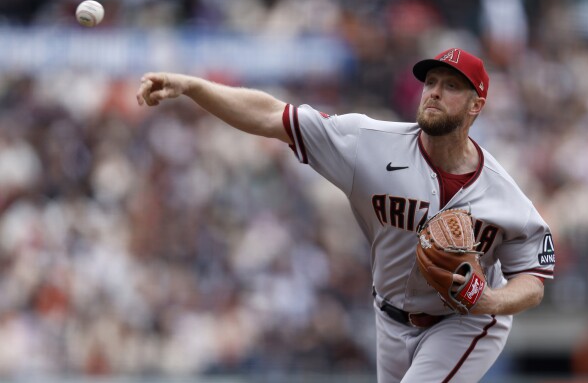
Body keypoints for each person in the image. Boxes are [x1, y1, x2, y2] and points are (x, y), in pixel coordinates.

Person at [136, 47, 555, 382]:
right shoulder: (368, 144)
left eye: (451, 86)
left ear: (475, 106)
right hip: (389, 315)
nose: (434, 92)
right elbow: (271, 115)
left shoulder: (504, 196)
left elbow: (533, 281)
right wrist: (191, 86)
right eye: (430, 82)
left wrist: (489, 301)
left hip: (464, 323)